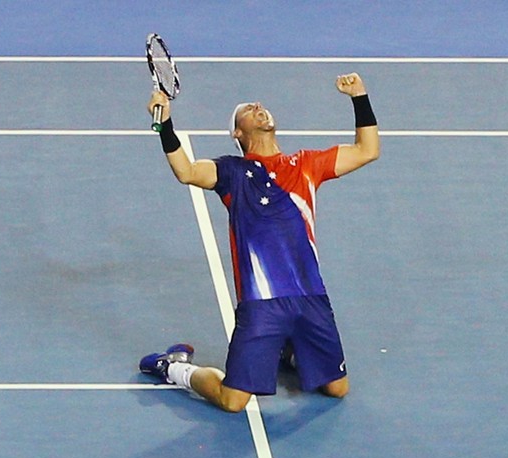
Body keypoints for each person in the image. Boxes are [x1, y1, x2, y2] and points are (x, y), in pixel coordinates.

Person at [140, 73, 380, 413]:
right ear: (238, 133)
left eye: (260, 106)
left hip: (310, 297)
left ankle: (288, 348)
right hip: (261, 305)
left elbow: (367, 150)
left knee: (337, 389)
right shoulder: (233, 174)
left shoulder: (306, 164)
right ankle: (174, 366)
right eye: (247, 110)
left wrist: (360, 97)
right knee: (233, 400)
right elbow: (187, 172)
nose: (257, 107)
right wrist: (164, 125)